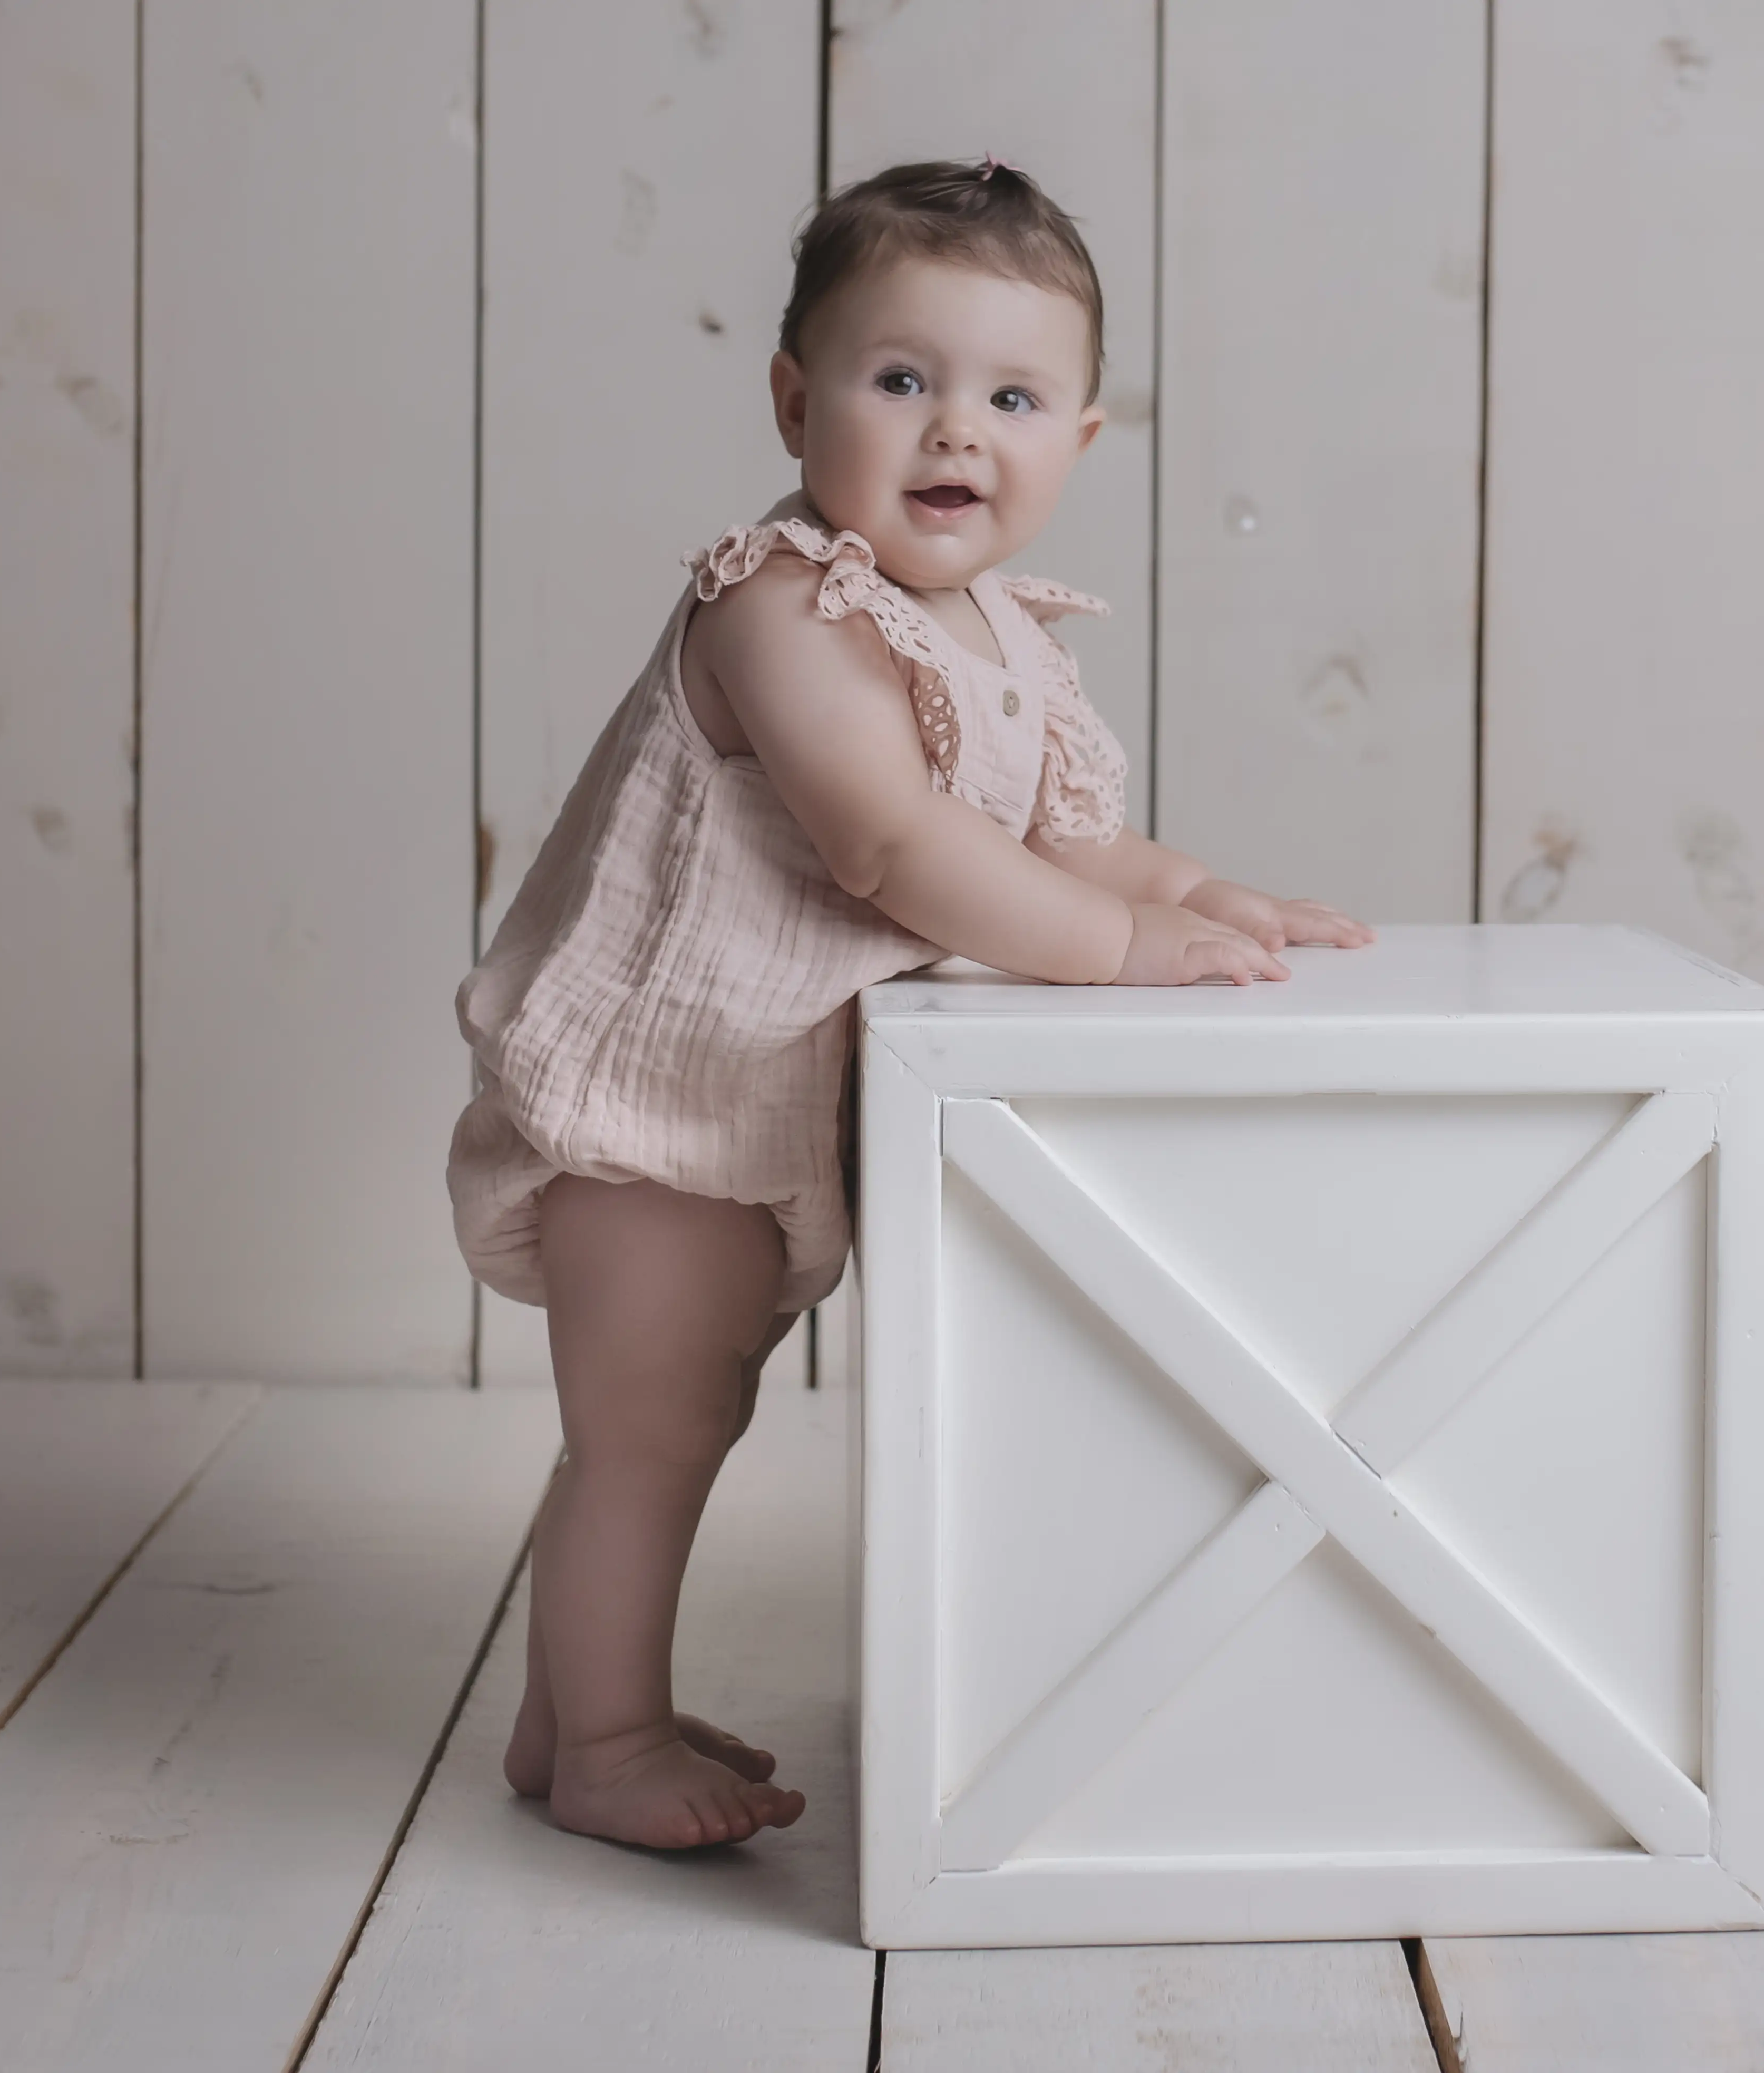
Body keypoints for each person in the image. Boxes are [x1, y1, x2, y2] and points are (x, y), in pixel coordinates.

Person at [447, 157, 1375, 1852]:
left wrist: (1196, 897)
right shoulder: (780, 604)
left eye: (1010, 398)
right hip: (659, 1109)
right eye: (900, 379)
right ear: (795, 401)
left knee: (686, 1414)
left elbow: (1066, 839)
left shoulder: (1000, 632)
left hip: (760, 1113)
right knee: (649, 1429)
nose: (956, 430)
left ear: (1079, 439)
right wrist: (1116, 949)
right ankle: (608, 1741)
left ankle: (567, 1715)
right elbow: (890, 841)